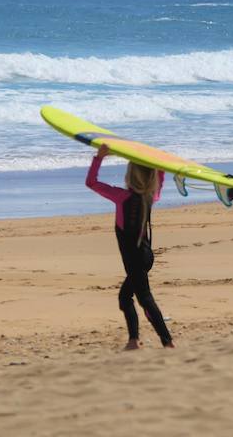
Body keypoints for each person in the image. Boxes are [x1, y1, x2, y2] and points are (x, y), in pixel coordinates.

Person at [85, 144, 174, 349]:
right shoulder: (150, 197)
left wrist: (99, 157)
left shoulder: (121, 197)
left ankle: (166, 342)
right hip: (145, 256)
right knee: (127, 297)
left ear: (130, 175)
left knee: (143, 299)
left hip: (135, 259)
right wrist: (160, 163)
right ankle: (135, 340)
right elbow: (158, 180)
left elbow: (91, 182)